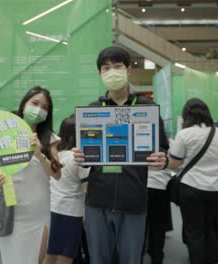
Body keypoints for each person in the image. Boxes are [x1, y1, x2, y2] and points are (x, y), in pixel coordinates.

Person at [72, 46, 168, 264]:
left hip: (134, 199)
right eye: (106, 68)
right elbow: (85, 155)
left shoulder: (148, 109)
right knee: (98, 259)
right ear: (100, 74)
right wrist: (79, 156)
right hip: (98, 199)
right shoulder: (93, 111)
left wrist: (162, 159)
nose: (112, 72)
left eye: (117, 66)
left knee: (132, 259)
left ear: (128, 70)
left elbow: (163, 150)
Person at [0, 86, 62, 264]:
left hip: (39, 212)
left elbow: (57, 175)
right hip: (10, 209)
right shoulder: (5, 135)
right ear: (24, 104)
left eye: (45, 107)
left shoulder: (50, 138)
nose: (39, 110)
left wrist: (40, 155)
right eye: (35, 103)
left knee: (36, 260)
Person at [167, 98, 218, 264]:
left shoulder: (184, 134)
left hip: (191, 187)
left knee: (194, 232)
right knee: (210, 228)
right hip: (216, 189)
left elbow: (173, 164)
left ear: (186, 114)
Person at [46, 116, 90, 264]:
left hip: (53, 207)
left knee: (52, 251)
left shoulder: (55, 155)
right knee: (66, 253)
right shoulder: (78, 158)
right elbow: (86, 188)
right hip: (71, 211)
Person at [146, 168, 173, 264]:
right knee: (158, 226)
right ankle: (157, 257)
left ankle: (138, 255)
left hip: (141, 185)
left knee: (139, 226)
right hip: (161, 185)